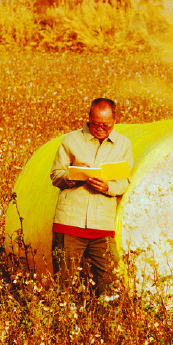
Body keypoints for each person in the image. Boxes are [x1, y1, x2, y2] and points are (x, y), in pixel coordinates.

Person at [50, 98, 134, 298]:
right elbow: (55, 175)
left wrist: (107, 187)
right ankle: (63, 324)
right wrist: (75, 176)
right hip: (69, 224)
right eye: (95, 124)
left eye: (106, 125)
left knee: (109, 285)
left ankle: (105, 324)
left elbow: (125, 181)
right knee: (64, 284)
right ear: (88, 118)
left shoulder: (123, 144)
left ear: (115, 120)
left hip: (102, 227)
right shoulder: (71, 141)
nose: (100, 129)